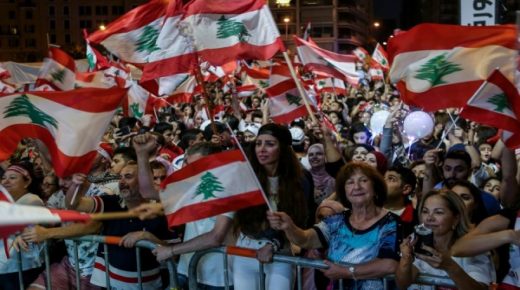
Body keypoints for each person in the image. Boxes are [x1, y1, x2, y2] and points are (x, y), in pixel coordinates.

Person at [267, 162, 400, 289]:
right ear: (345, 192)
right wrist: (289, 226)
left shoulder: (391, 222)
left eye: (363, 181)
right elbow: (306, 239)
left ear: (375, 187)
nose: (357, 187)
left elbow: (389, 265)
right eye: (350, 182)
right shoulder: (336, 221)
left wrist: (345, 271)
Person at [132, 134, 235, 290]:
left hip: (218, 280)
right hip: (186, 272)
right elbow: (147, 191)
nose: (187, 169)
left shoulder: (229, 191)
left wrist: (171, 250)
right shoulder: (190, 188)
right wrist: (142, 154)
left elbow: (216, 237)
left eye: (196, 165)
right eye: (186, 163)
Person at [65, 162, 173, 290]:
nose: (121, 182)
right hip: (110, 285)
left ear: (145, 181)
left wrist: (147, 237)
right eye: (120, 177)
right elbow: (73, 205)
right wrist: (76, 185)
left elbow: (174, 253)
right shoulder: (111, 203)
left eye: (128, 177)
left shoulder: (161, 211)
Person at [233, 123, 311, 290]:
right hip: (246, 248)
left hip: (281, 251)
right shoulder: (246, 175)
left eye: (270, 144)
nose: (262, 149)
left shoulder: (300, 180)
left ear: (283, 148)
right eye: (259, 143)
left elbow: (301, 220)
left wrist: (274, 243)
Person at [396, 190, 494, 290]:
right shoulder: (416, 239)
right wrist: (405, 260)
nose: (429, 218)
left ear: (456, 218)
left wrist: (450, 266)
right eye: (425, 211)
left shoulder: (474, 247)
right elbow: (402, 284)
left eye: (438, 212)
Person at [0, 162, 45, 290]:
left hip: (20, 267)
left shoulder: (32, 200)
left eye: (13, 178)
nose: (5, 181)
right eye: (4, 178)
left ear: (27, 182)